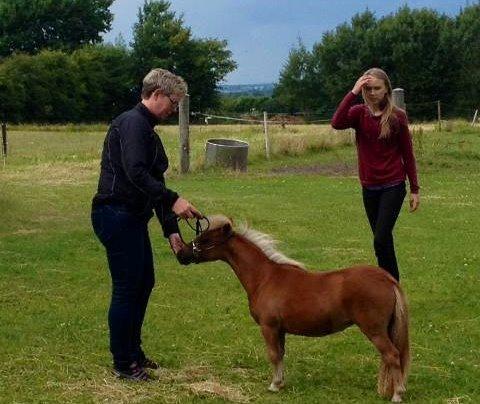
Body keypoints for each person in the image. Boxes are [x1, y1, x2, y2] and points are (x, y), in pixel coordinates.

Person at [91, 68, 201, 381]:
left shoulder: (146, 130)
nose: (174, 108)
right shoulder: (132, 123)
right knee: (127, 289)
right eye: (173, 101)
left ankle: (133, 353)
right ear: (155, 94)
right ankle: (125, 364)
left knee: (143, 283)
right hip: (115, 214)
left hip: (131, 218)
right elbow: (136, 173)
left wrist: (171, 230)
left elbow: (153, 181)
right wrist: (175, 200)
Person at [331, 67, 420, 281]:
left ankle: (391, 287)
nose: (372, 93)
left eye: (377, 88)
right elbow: (336, 122)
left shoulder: (397, 117)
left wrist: (415, 189)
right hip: (369, 187)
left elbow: (408, 154)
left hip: (393, 185)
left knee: (380, 239)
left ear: (387, 89)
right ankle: (389, 288)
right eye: (368, 89)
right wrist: (352, 92)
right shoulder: (358, 113)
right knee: (382, 240)